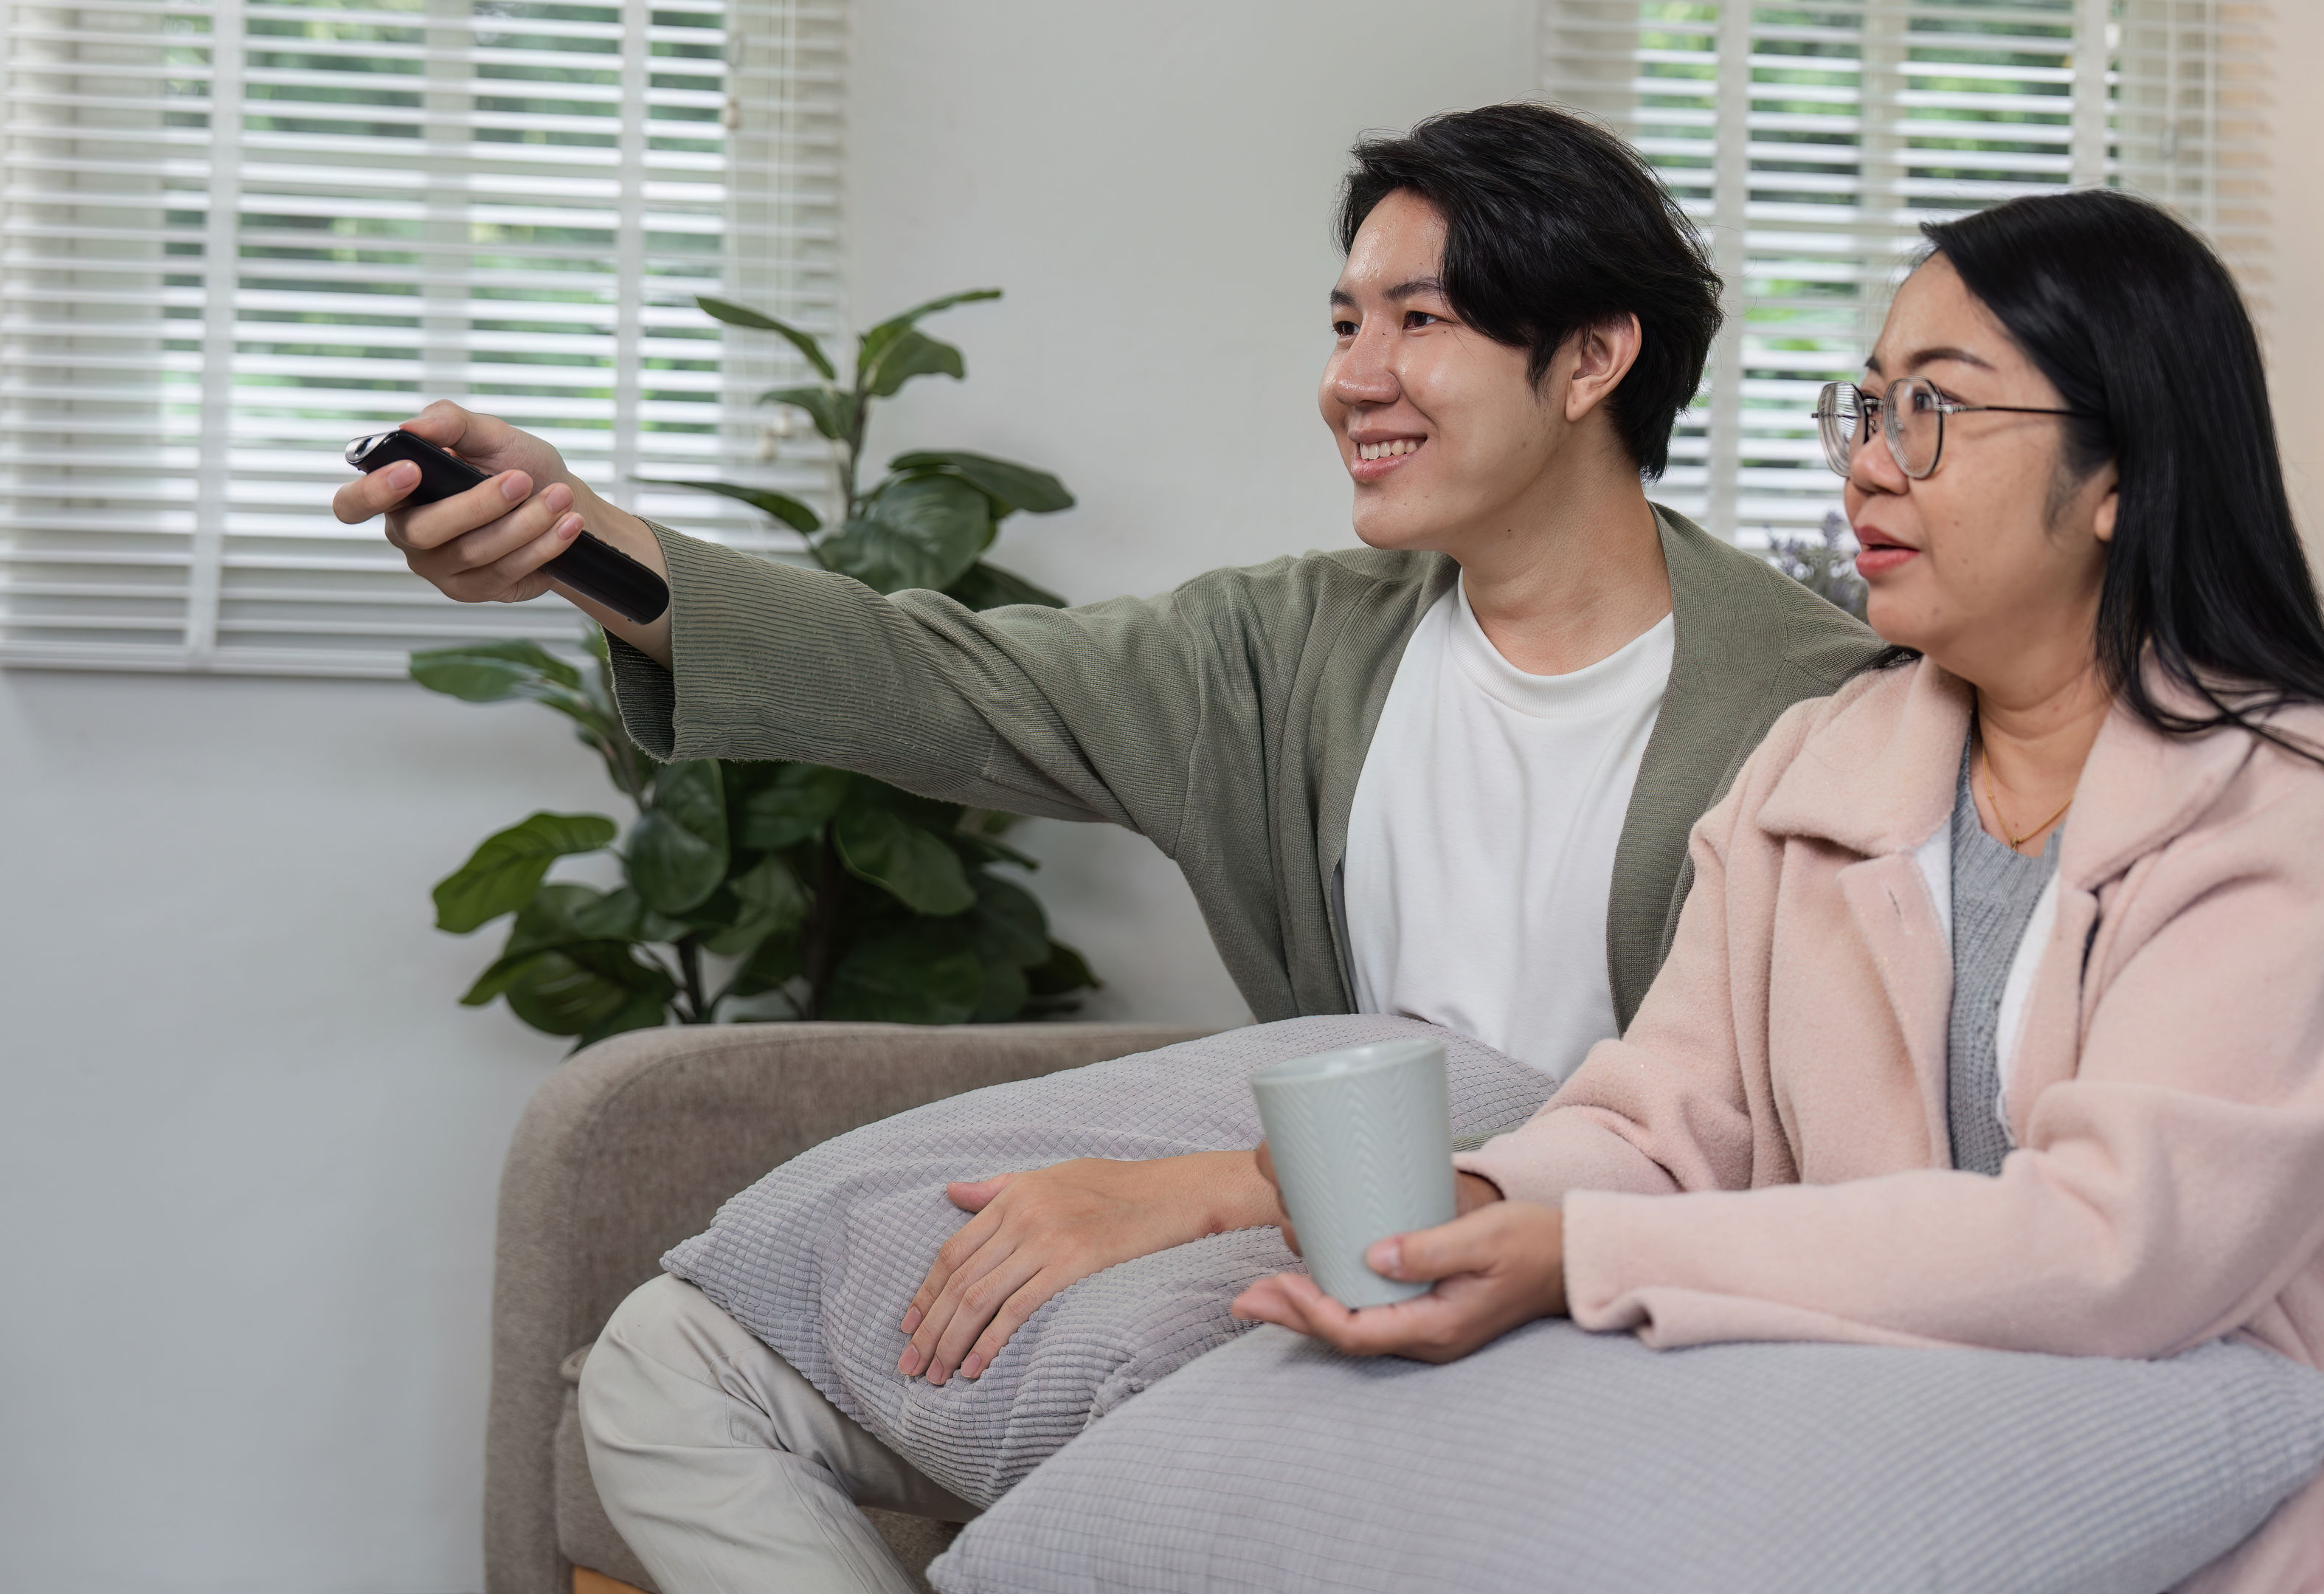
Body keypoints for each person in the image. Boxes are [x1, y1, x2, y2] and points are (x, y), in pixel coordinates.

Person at [335, 104, 1876, 1593]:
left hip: (1594, 1300)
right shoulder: (1283, 654)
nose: (1357, 377)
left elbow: (1811, 1145)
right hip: (1309, 1250)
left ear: (1596, 355)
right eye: (1344, 324)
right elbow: (930, 674)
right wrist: (579, 544)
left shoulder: (1815, 705)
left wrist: (1202, 1192)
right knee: (666, 1367)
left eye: (1421, 321)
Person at [1231, 187, 2324, 1592]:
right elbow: (1667, 1123)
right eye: (1864, 411)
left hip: (2252, 1513)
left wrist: (1580, 1254)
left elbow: (2117, 1252)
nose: (1868, 469)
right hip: (1865, 1453)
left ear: (2122, 477)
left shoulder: (2304, 809)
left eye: (1936, 414)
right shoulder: (1819, 764)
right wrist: (1478, 1199)